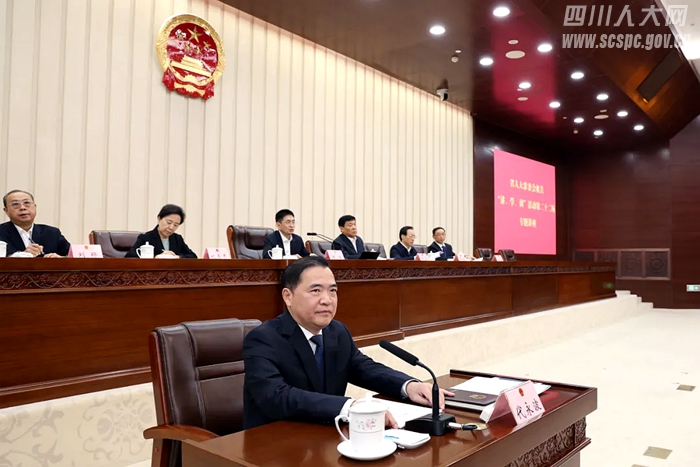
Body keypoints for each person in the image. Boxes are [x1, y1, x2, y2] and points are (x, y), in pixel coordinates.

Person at [243, 256, 453, 429]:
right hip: (274, 442)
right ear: (288, 296)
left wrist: (408, 386)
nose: (327, 300)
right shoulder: (263, 338)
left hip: (325, 436)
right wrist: (349, 407)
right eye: (315, 290)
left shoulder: (336, 331)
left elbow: (363, 368)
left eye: (332, 291)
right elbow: (275, 397)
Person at [0, 189, 70, 257]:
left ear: (35, 207)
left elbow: (72, 256)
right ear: (6, 210)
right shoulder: (1, 232)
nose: (22, 208)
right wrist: (23, 256)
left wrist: (60, 259)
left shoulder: (52, 233)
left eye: (26, 203)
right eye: (15, 204)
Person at [125, 204, 197, 258]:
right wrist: (156, 257)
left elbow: (193, 256)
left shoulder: (177, 239)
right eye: (169, 222)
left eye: (176, 225)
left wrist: (178, 257)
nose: (171, 227)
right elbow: (130, 256)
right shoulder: (145, 238)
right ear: (159, 218)